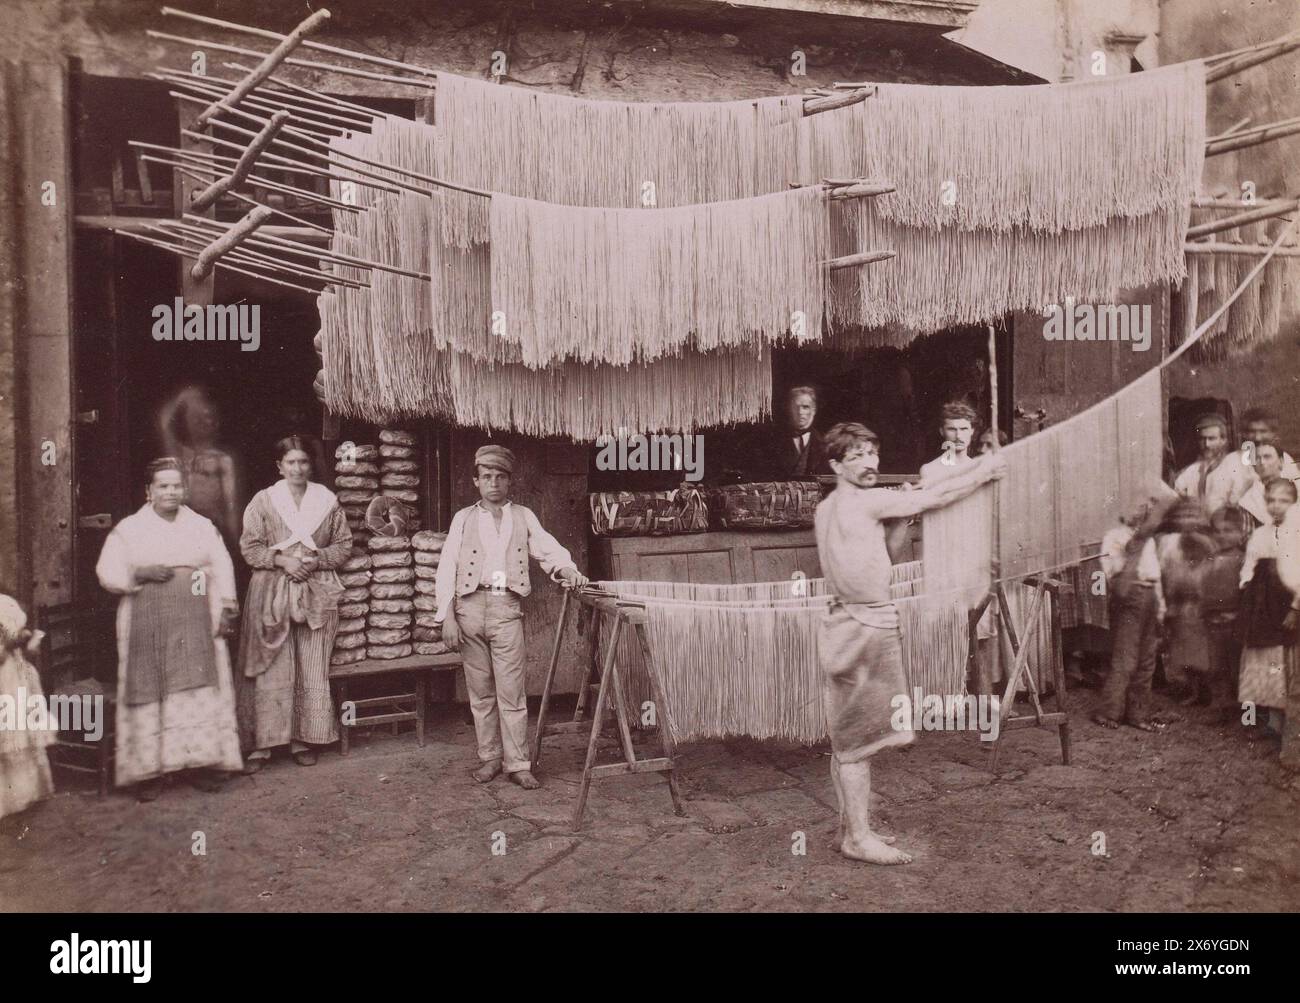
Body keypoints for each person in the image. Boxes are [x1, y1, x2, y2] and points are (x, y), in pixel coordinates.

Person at [815, 422, 1005, 864]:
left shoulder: (829, 508)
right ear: (835, 464)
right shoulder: (865, 501)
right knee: (858, 740)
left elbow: (885, 558)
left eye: (872, 453)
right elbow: (934, 495)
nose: (869, 463)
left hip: (849, 623)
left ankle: (850, 828)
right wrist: (984, 471)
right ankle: (859, 838)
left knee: (847, 737)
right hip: (863, 627)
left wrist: (902, 516)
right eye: (857, 455)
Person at [435, 445, 589, 790]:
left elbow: (548, 548)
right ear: (476, 481)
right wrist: (447, 616)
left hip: (506, 608)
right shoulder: (463, 518)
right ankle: (489, 757)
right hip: (469, 607)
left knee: (511, 691)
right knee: (481, 691)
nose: (493, 483)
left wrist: (567, 569)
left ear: (509, 482)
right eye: (486, 477)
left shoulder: (523, 515)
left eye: (500, 477)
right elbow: (447, 567)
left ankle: (518, 762)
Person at [95, 458, 244, 800]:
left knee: (196, 690)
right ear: (149, 491)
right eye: (163, 486)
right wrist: (139, 573)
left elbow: (221, 565)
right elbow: (107, 571)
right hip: (147, 623)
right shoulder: (129, 529)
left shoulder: (202, 526)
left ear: (184, 490)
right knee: (150, 691)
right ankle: (149, 773)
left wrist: (226, 607)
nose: (171, 492)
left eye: (177, 485)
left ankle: (200, 764)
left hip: (195, 621)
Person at [237, 435, 351, 771]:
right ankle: (263, 745)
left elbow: (344, 546)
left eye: (303, 462)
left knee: (310, 663)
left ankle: (303, 738)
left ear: (310, 465)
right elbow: (250, 547)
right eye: (291, 462)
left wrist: (315, 561)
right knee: (271, 665)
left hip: (316, 590)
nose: (298, 468)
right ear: (279, 467)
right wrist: (284, 561)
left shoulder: (327, 502)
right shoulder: (263, 501)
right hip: (271, 589)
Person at [1094, 489, 1174, 731]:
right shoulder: (1114, 536)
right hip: (1130, 596)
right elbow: (1111, 570)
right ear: (1120, 512)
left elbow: (1156, 575)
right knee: (1125, 658)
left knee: (1147, 659)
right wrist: (1132, 548)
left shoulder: (1148, 540)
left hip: (1150, 595)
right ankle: (1109, 711)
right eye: (1132, 508)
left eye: (1142, 508)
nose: (1137, 513)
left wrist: (1161, 608)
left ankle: (1137, 713)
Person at [1238, 478, 1298, 755]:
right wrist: (1247, 587)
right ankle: (1272, 724)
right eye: (1271, 500)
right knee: (1266, 665)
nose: (1276, 506)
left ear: (1295, 503)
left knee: (1286, 666)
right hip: (1262, 605)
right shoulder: (1260, 535)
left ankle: (1290, 728)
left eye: (1284, 500)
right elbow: (1248, 567)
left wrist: (1295, 608)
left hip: (1287, 604)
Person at [157, 385, 242, 549]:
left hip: (213, 526)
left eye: (208, 417)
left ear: (215, 423)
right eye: (196, 418)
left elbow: (231, 505)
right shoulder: (180, 454)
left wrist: (234, 540)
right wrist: (182, 398)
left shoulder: (222, 460)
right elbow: (165, 424)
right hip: (183, 524)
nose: (203, 422)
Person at [1156, 499, 1218, 705]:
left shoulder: (1208, 542)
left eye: (1193, 516)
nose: (1188, 520)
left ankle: (1206, 689)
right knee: (1183, 648)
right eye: (1183, 516)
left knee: (1203, 650)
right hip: (1181, 603)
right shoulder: (1171, 543)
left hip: (1200, 603)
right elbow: (1167, 570)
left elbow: (1211, 571)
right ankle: (1191, 688)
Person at [0, 593, 56, 818]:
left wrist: (24, 637)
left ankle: (22, 794)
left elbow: (15, 632)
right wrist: (11, 642)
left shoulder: (5, 601)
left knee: (19, 734)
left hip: (15, 676)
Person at [1199, 507, 1249, 711]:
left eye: (1228, 531)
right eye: (1217, 531)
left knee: (1237, 665)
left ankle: (1241, 707)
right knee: (1215, 665)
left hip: (1235, 620)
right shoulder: (1208, 558)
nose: (1222, 536)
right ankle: (1219, 704)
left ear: (1241, 533)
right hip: (1212, 620)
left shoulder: (1242, 558)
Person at [1173, 413, 1255, 513]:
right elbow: (1176, 491)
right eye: (1202, 439)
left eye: (1212, 439)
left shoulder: (1236, 463)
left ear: (1223, 440)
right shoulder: (1192, 469)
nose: (1206, 444)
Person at [757, 386, 828, 480]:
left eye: (805, 407)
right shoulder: (772, 442)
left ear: (813, 410)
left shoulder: (825, 443)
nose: (800, 412)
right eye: (795, 407)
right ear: (789, 409)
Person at [1239, 442, 1294, 529]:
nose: (1262, 462)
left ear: (1281, 462)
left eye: (1267, 457)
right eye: (1257, 458)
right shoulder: (1247, 502)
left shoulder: (1297, 488)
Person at [919, 402, 979, 482]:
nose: (958, 436)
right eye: (952, 429)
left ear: (972, 431)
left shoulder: (978, 469)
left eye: (964, 429)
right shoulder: (930, 469)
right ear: (942, 431)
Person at [1241, 407, 1300, 480]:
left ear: (1273, 434)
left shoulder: (1285, 459)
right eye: (1252, 431)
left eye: (1263, 431)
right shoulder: (1232, 460)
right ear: (1245, 434)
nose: (1257, 438)